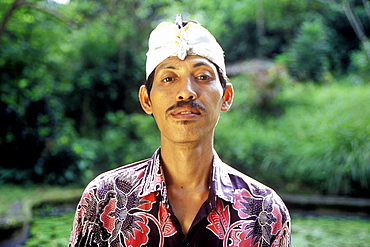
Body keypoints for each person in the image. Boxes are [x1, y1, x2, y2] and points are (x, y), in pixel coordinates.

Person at [69, 15, 291, 247]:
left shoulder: (265, 211)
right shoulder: (105, 199)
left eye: (202, 77)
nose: (186, 92)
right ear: (146, 100)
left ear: (226, 97)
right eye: (169, 78)